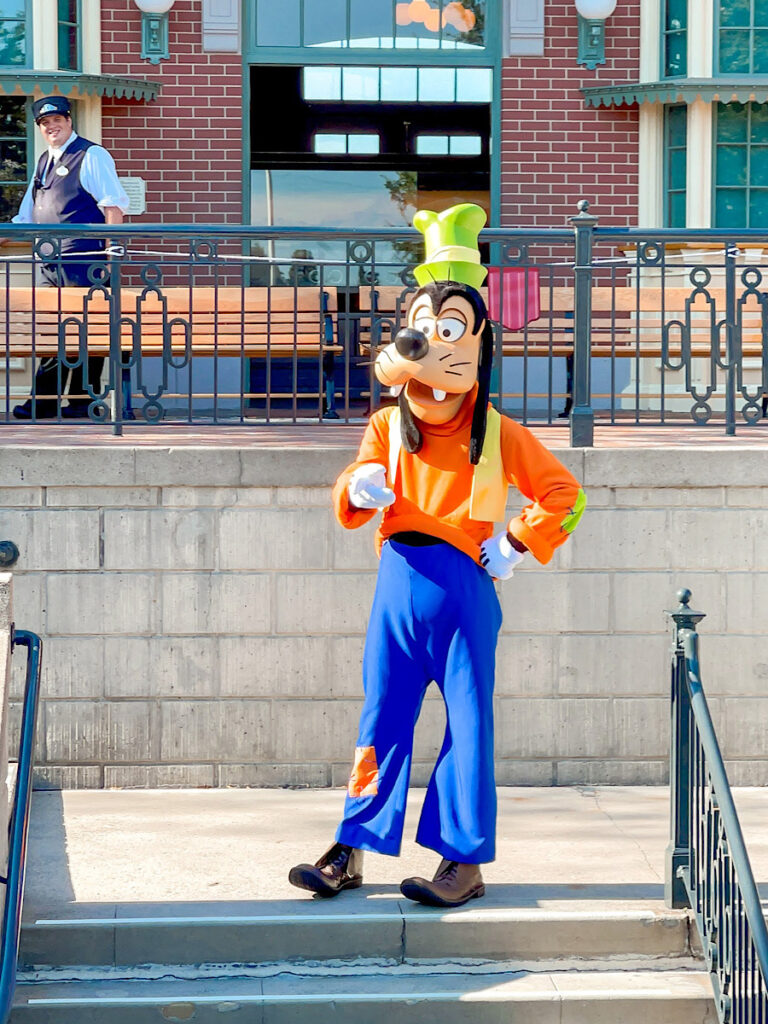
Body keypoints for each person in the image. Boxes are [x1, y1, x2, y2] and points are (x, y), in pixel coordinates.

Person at [289, 204, 586, 908]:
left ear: (479, 345)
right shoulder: (386, 423)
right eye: (422, 328)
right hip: (397, 582)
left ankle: (463, 860)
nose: (428, 346)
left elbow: (565, 495)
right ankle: (352, 846)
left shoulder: (501, 432)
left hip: (463, 587)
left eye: (450, 328)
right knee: (380, 718)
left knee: (468, 722)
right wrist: (355, 487)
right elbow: (355, 492)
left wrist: (517, 541)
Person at [9, 95, 129, 419]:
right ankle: (46, 402)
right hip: (48, 264)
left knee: (87, 333)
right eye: (45, 123)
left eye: (57, 120)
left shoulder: (91, 155)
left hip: (84, 261)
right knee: (51, 331)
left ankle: (82, 402)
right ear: (40, 128)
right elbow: (26, 216)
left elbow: (112, 205)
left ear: (69, 121)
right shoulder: (43, 162)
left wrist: (111, 255)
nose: (52, 127)